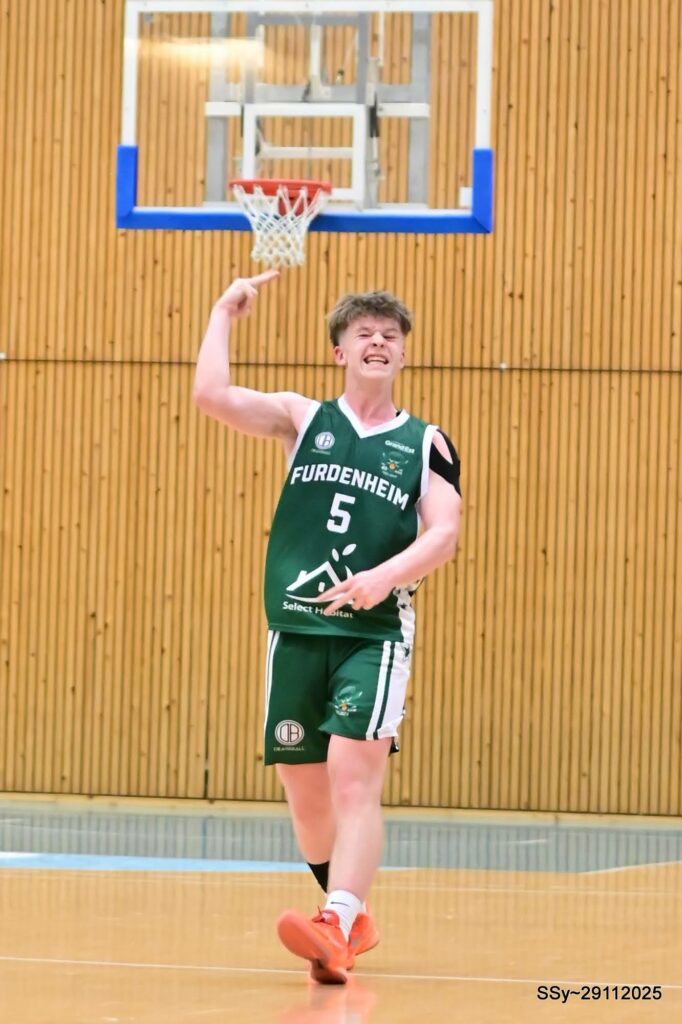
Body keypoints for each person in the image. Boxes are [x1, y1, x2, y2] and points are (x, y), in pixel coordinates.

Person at [193, 270, 463, 985]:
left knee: (352, 776)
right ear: (340, 351)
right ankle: (348, 916)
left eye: (390, 335)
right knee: (304, 791)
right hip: (295, 626)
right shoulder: (301, 418)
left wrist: (385, 576)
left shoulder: (425, 441)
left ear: (403, 353)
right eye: (363, 333)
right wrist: (223, 313)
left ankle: (336, 922)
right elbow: (211, 395)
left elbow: (444, 533)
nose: (378, 342)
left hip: (374, 633)